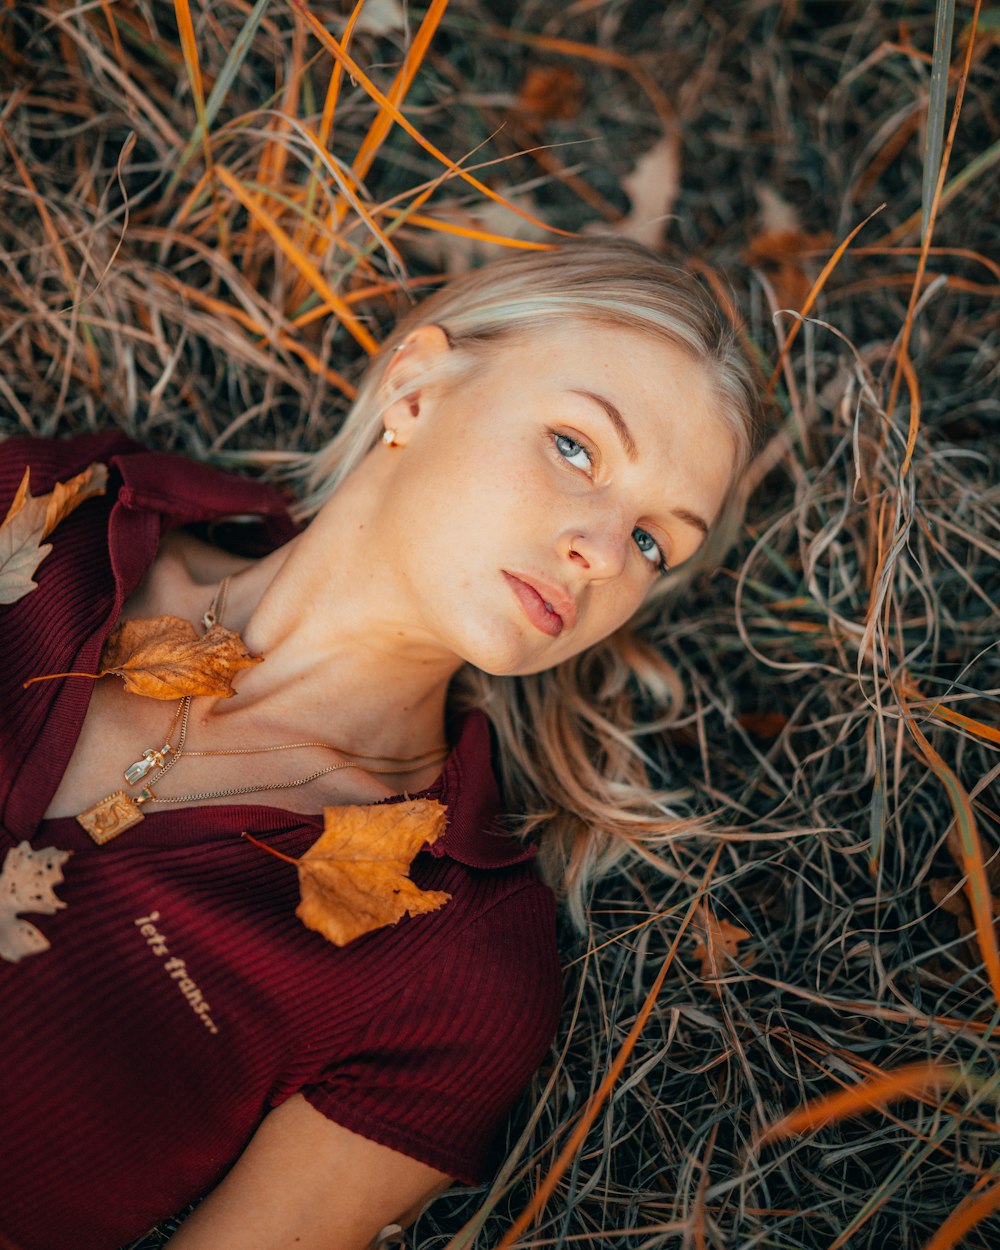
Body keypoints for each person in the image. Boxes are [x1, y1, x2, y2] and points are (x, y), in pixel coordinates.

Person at [0, 238, 759, 1250]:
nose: (602, 552)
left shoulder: (455, 956)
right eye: (576, 446)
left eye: (656, 542)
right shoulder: (53, 517)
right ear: (414, 389)